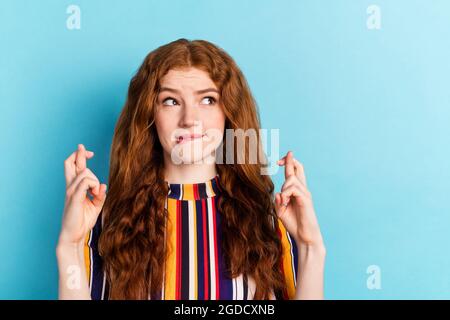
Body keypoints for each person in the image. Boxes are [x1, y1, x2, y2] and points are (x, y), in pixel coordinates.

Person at [56, 38, 326, 300]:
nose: (190, 119)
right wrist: (69, 246)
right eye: (171, 101)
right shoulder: (107, 220)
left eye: (208, 100)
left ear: (228, 111)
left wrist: (312, 247)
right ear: (150, 116)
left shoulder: (267, 220)